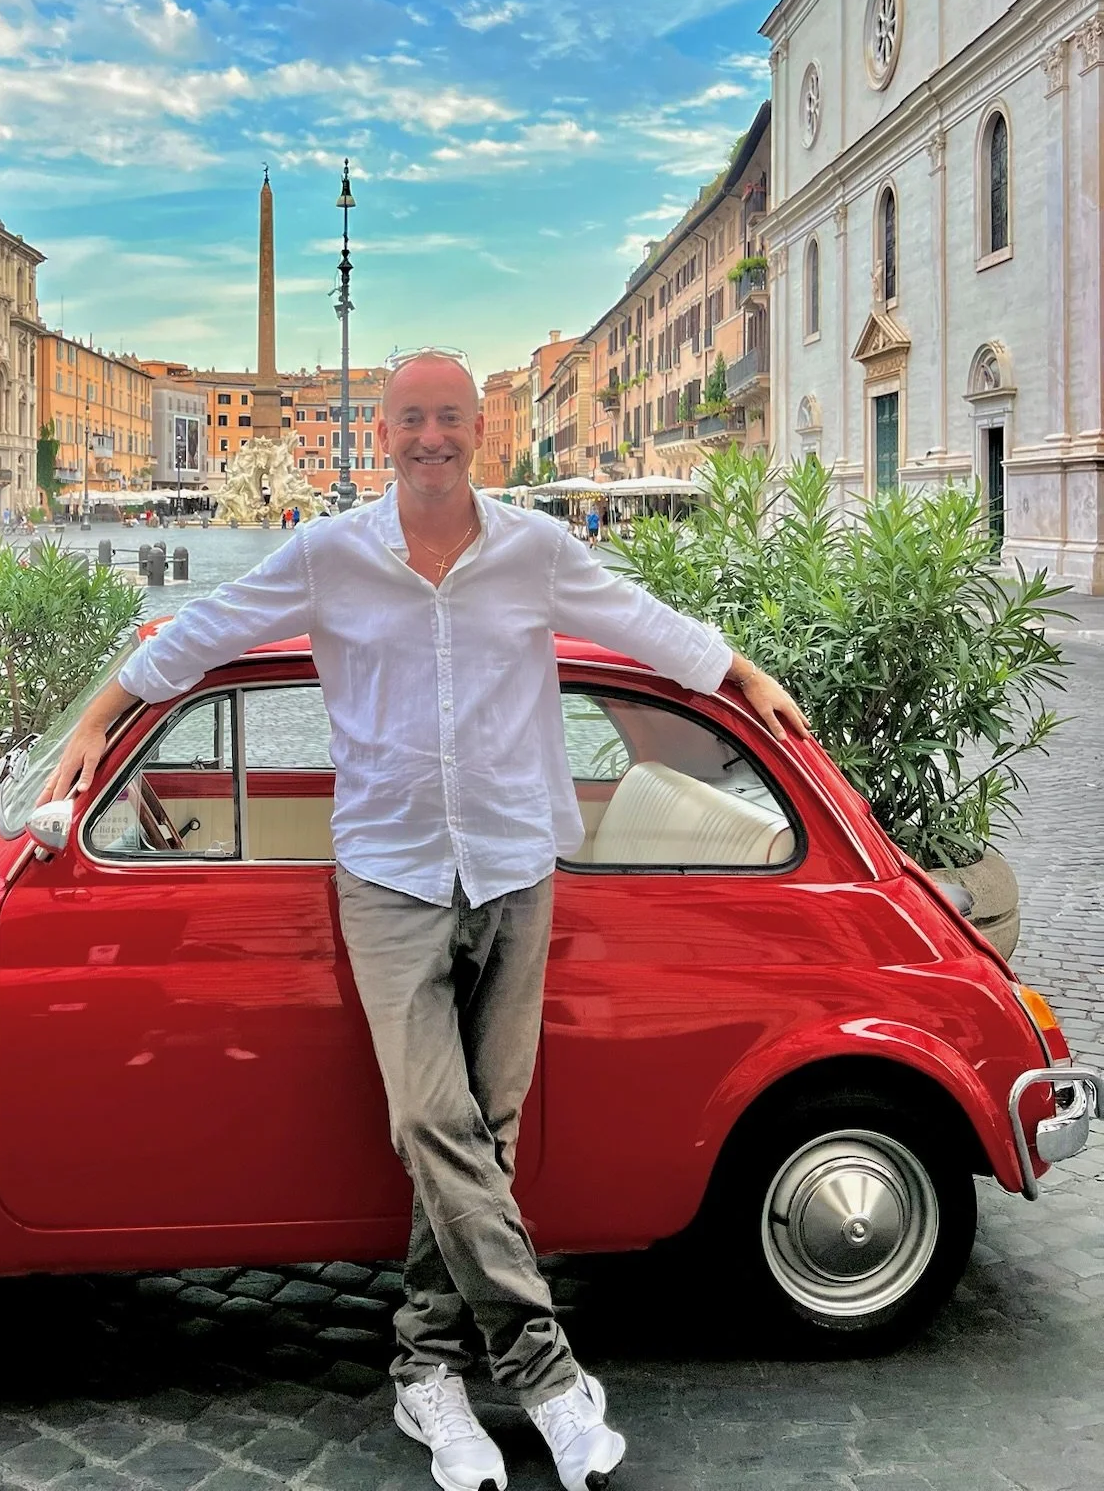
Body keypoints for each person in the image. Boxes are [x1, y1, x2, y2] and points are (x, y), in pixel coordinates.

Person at [43, 351, 804, 1491]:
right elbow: (208, 627)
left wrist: (740, 672)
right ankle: (545, 1373)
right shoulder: (330, 553)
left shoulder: (537, 549)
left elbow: (639, 621)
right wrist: (99, 714)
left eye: (449, 417)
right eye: (412, 419)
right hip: (390, 873)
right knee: (434, 1121)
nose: (431, 436)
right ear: (383, 435)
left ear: (478, 430)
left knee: (486, 1132)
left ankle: (426, 1367)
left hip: (515, 864)